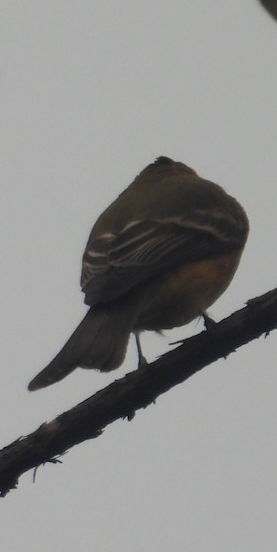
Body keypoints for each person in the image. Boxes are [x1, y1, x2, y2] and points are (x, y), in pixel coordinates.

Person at [28, 157, 249, 390]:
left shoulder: (116, 211)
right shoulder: (215, 200)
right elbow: (219, 237)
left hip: (110, 283)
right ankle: (205, 323)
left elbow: (101, 265)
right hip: (168, 271)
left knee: (122, 302)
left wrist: (116, 282)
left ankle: (136, 362)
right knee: (126, 295)